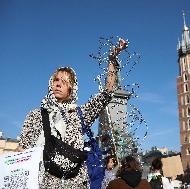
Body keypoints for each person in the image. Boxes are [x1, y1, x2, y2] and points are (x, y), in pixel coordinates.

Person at [17, 39, 128, 188]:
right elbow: (22, 150)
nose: (57, 84)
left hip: (73, 184)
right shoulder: (34, 116)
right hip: (41, 183)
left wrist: (112, 59)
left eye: (64, 81)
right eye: (55, 80)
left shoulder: (80, 114)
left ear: (71, 88)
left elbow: (107, 92)